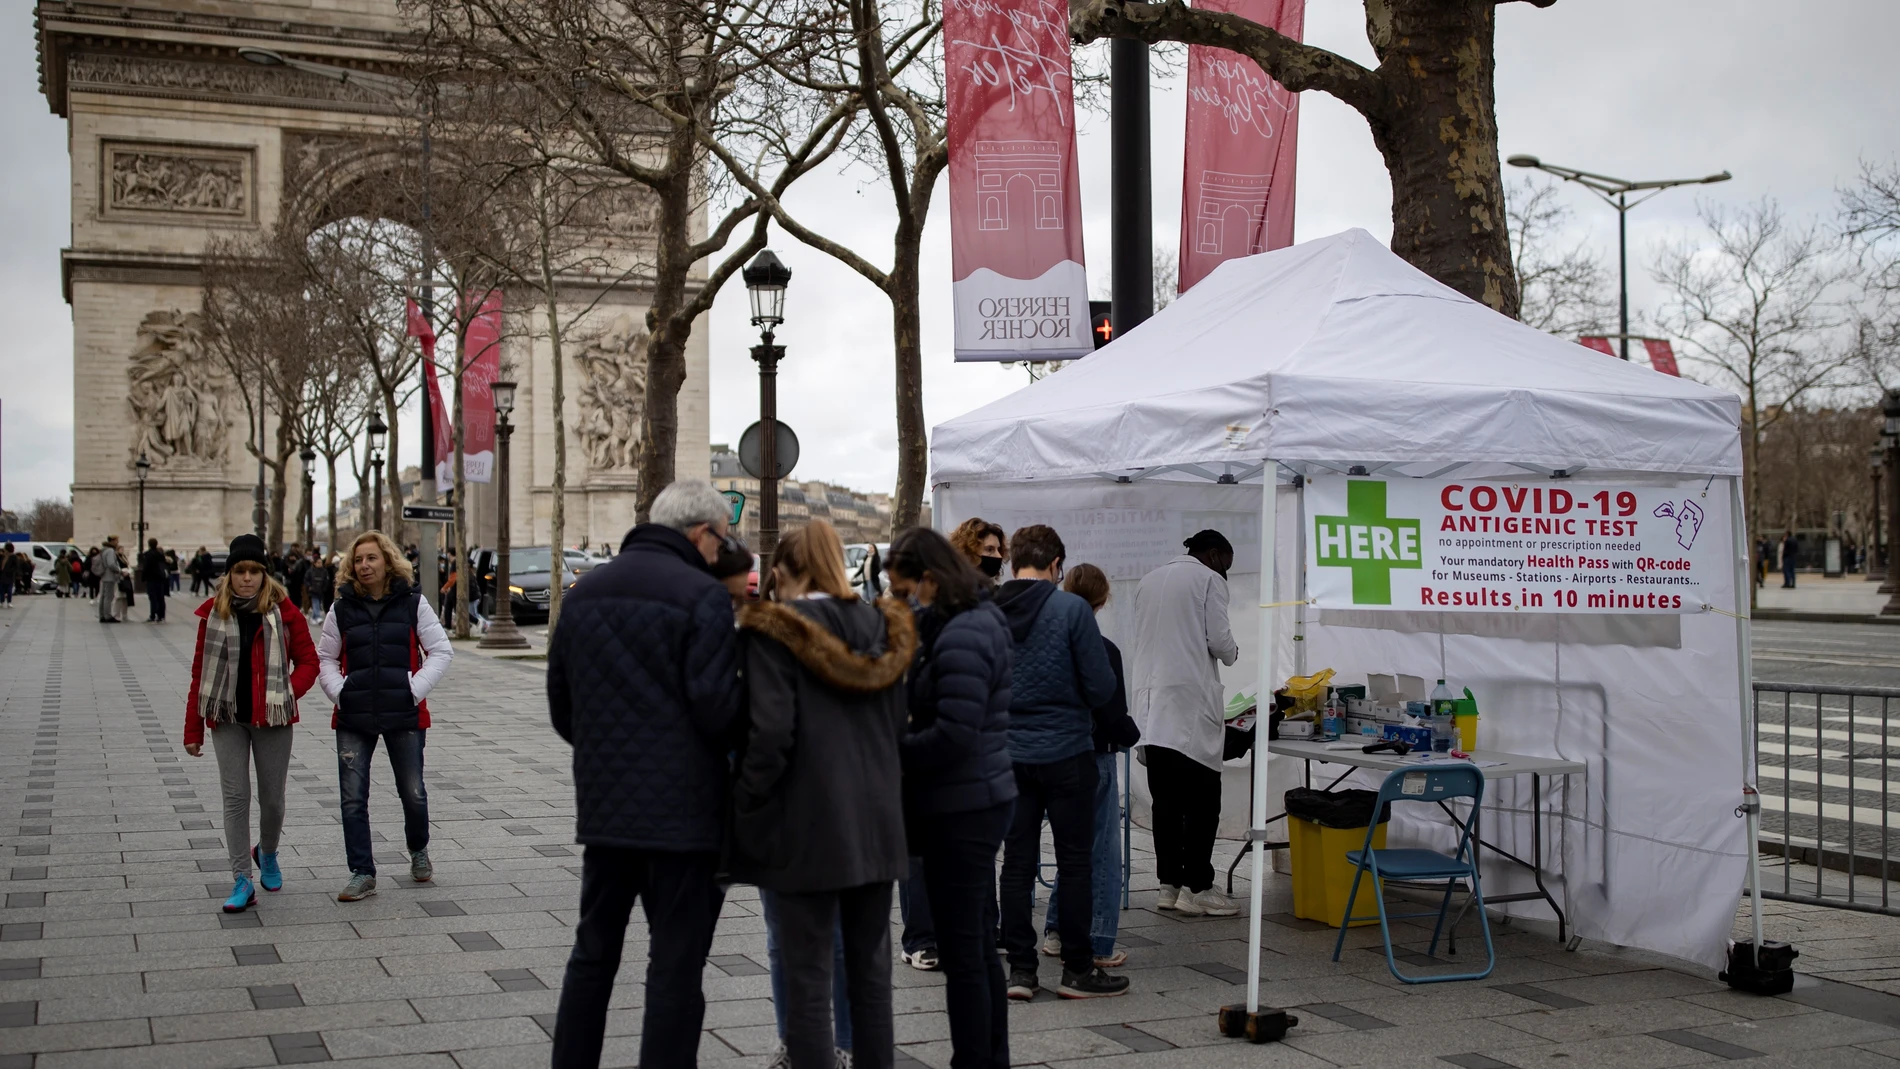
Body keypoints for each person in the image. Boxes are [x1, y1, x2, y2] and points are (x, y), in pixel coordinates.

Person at [546, 480, 743, 1069]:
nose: (719, 554)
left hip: (606, 811)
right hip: (684, 818)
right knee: (675, 966)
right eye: (721, 541)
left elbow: (562, 705)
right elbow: (716, 710)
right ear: (700, 533)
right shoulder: (700, 595)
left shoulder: (585, 591)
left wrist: (607, 755)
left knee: (592, 955)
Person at [732, 519, 916, 1069]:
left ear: (787, 571)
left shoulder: (776, 629)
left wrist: (746, 800)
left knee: (808, 979)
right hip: (878, 822)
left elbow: (770, 734)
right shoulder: (884, 627)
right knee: (870, 978)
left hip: (805, 823)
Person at [886, 527, 1016, 1069]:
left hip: (964, 803)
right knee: (977, 947)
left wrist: (891, 750)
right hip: (970, 796)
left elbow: (954, 733)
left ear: (932, 579)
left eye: (908, 590)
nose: (905, 600)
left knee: (964, 954)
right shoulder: (958, 621)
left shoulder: (964, 632)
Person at [992, 525, 1128, 1001]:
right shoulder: (1071, 609)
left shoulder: (987, 610)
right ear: (1056, 565)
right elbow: (1100, 686)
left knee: (1016, 864)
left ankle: (1021, 973)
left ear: (1011, 562)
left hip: (1008, 756)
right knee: (1075, 862)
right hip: (1067, 752)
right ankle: (1076, 969)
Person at [183, 534, 320, 912]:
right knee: (235, 798)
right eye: (239, 571)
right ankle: (242, 878)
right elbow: (200, 674)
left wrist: (287, 692)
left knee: (272, 800)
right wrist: (192, 729)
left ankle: (269, 852)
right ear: (229, 574)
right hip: (227, 718)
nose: (246, 578)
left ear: (264, 573)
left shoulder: (285, 612)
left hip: (272, 719)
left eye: (253, 571)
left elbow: (310, 661)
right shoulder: (213, 612)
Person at [316, 530, 453, 903]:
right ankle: (362, 872)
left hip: (404, 712)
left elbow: (441, 650)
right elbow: (325, 657)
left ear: (387, 561)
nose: (364, 566)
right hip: (354, 714)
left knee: (413, 793)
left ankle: (418, 848)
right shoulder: (341, 608)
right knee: (352, 799)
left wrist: (413, 689)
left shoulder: (413, 603)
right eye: (358, 560)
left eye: (371, 558)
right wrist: (339, 692)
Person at [1132, 530, 1242, 917]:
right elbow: (1221, 643)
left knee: (1165, 801)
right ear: (1214, 555)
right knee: (1202, 803)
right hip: (1188, 707)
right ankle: (1199, 886)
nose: (1227, 573)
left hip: (1151, 707)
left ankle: (1169, 885)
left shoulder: (1149, 580)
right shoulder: (1208, 580)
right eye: (1226, 564)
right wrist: (1234, 651)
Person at [1043, 564, 1141, 965]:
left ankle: (1055, 928)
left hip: (1054, 754)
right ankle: (1098, 935)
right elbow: (1111, 711)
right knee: (1100, 851)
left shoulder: (1049, 642)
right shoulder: (1103, 648)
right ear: (1103, 600)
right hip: (1096, 753)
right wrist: (1131, 733)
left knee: (1071, 847)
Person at [949, 519, 1008, 587]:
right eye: (989, 549)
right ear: (968, 553)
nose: (999, 556)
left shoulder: (996, 594)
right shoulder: (950, 593)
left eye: (998, 550)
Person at [94, 537, 125, 622]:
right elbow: (111, 564)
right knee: (108, 597)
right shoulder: (110, 551)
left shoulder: (103, 550)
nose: (117, 543)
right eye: (116, 541)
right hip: (109, 576)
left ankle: (102, 615)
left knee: (103, 596)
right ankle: (107, 615)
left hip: (103, 575)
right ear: (113, 541)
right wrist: (119, 570)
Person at [141, 538, 170, 623]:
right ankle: (161, 615)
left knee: (153, 598)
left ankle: (153, 615)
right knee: (160, 597)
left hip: (151, 578)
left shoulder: (148, 555)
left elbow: (146, 567)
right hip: (160, 578)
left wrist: (143, 577)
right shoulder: (160, 554)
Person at [306, 551, 335, 619]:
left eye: (321, 562)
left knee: (318, 603)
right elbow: (306, 579)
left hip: (320, 590)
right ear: (315, 563)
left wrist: (324, 587)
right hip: (313, 589)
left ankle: (314, 617)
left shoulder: (324, 571)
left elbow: (326, 580)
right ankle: (318, 616)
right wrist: (309, 586)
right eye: (318, 563)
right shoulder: (310, 571)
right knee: (315, 602)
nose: (320, 564)